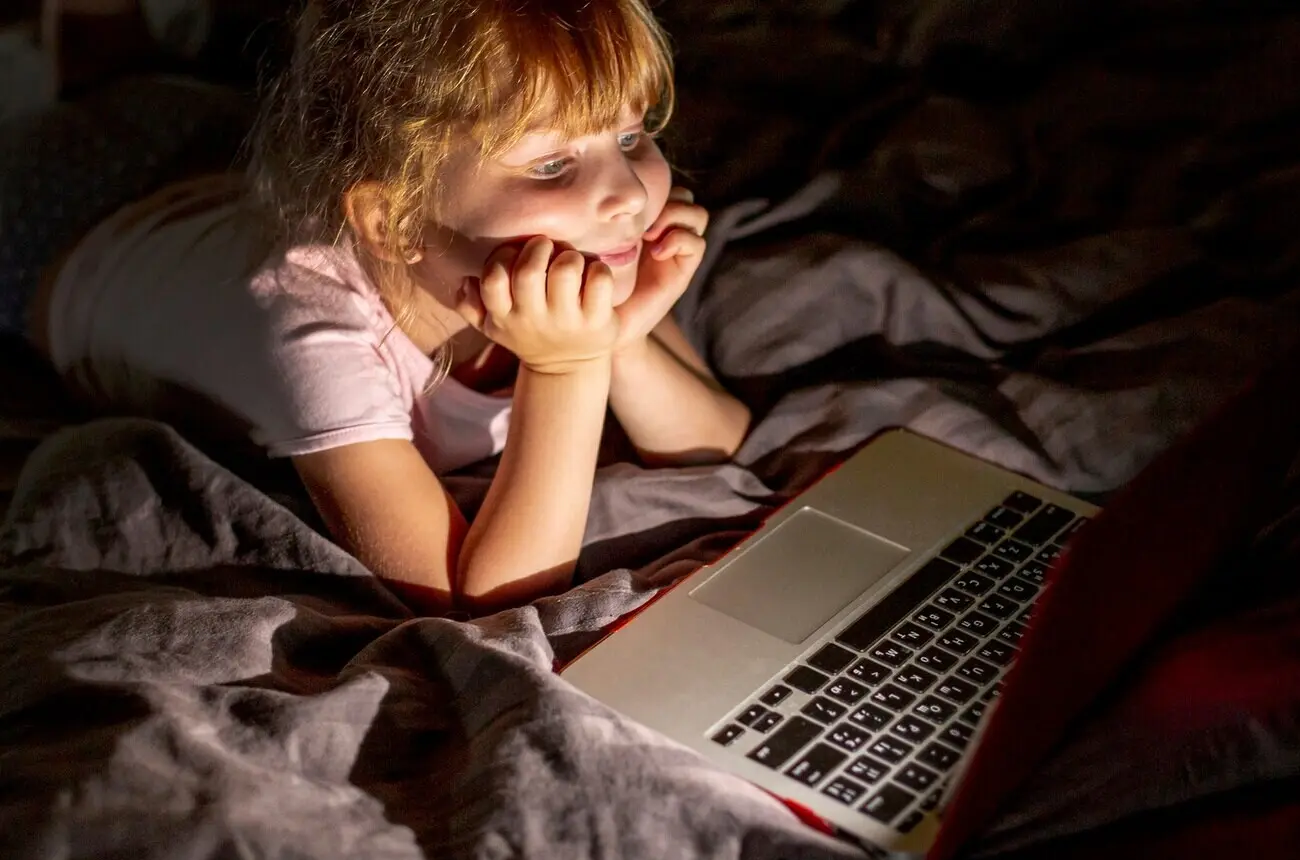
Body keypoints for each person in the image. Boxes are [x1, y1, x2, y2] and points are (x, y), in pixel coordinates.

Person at [7, 0, 752, 615]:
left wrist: (621, 336)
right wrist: (569, 369)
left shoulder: (572, 243)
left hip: (220, 172)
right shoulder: (311, 331)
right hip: (62, 234)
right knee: (100, 96)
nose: (628, 194)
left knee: (194, 106)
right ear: (396, 224)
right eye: (553, 164)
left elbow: (714, 442)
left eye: (631, 136)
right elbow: (478, 596)